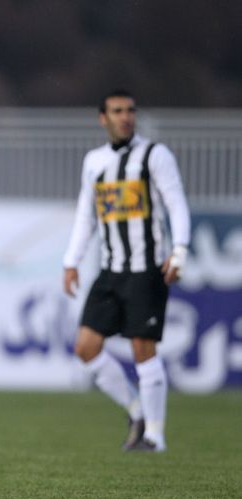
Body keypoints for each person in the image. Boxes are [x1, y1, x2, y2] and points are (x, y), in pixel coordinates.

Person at [63, 89, 191, 453]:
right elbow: (87, 215)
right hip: (111, 270)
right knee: (86, 348)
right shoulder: (94, 161)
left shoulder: (155, 155)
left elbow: (176, 204)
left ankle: (155, 437)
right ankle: (136, 411)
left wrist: (180, 251)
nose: (126, 117)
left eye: (130, 110)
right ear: (103, 118)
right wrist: (71, 261)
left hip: (146, 269)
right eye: (117, 111)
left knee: (142, 349)